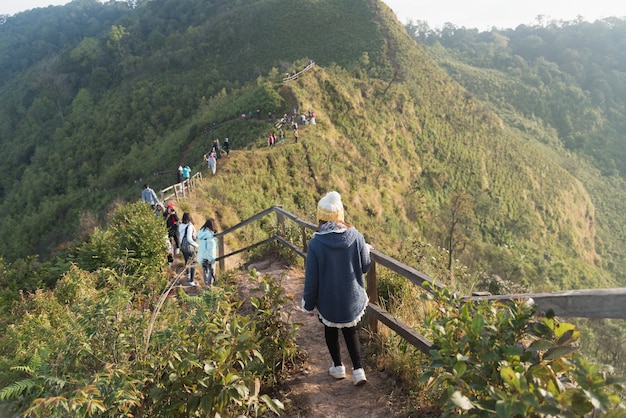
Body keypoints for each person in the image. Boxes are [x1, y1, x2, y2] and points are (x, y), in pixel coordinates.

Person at [302, 191, 372, 386]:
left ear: (321, 218)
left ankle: (338, 367)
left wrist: (308, 304)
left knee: (330, 330)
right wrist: (365, 250)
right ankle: (358, 371)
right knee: (351, 331)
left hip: (328, 300)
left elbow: (312, 279)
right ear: (341, 216)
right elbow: (365, 266)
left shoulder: (316, 244)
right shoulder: (356, 237)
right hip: (351, 299)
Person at [178, 212, 199, 286]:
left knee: (187, 261)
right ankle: (191, 281)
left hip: (183, 246)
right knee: (193, 263)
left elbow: (180, 237)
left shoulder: (181, 225)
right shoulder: (189, 226)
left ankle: (188, 274)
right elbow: (189, 238)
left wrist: (180, 246)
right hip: (190, 247)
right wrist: (197, 245)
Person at [197, 218, 218, 286]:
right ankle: (209, 286)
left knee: (205, 270)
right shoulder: (210, 235)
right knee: (212, 271)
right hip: (208, 256)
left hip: (201, 255)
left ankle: (206, 285)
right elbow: (210, 248)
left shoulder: (201, 233)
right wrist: (211, 258)